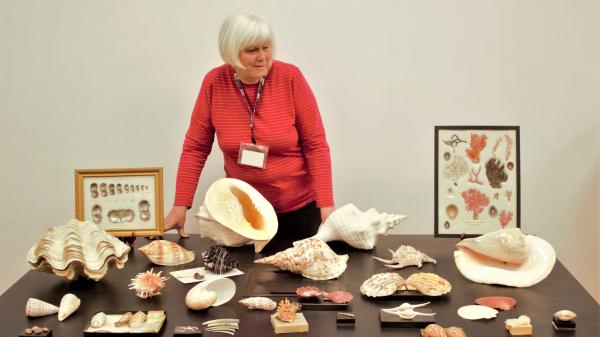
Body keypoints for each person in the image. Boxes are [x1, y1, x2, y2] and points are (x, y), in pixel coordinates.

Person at [164, 12, 334, 245]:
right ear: (231, 51)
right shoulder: (214, 83)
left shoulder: (290, 78)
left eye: (266, 48)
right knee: (245, 280)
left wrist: (326, 206)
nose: (262, 57)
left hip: (298, 213)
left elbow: (316, 145)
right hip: (241, 216)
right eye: (252, 50)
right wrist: (180, 205)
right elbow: (195, 148)